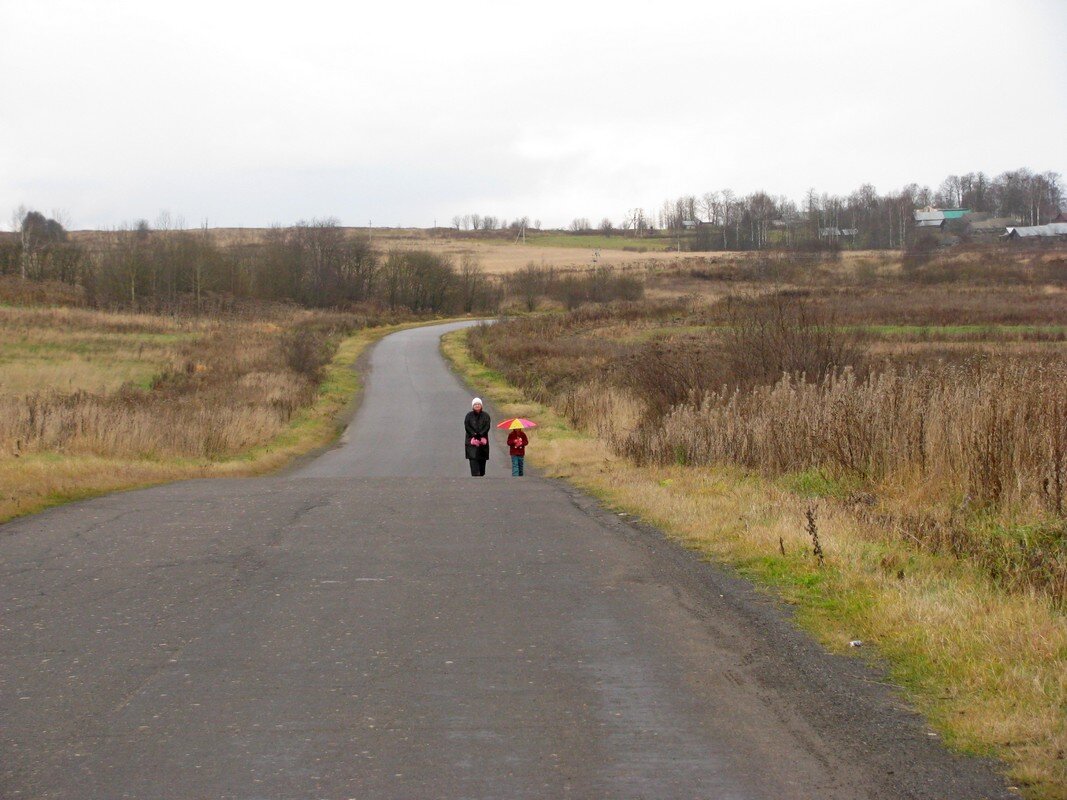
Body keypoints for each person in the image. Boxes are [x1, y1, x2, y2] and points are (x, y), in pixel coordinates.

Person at [464, 397, 491, 476]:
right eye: (475, 404)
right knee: (473, 460)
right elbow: (467, 426)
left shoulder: (486, 416)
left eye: (478, 404)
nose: (477, 406)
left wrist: (481, 434)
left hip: (483, 441)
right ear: (472, 406)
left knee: (482, 461)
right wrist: (474, 434)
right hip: (471, 441)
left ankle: (481, 474)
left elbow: (487, 426)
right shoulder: (468, 416)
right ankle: (475, 475)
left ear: (481, 405)